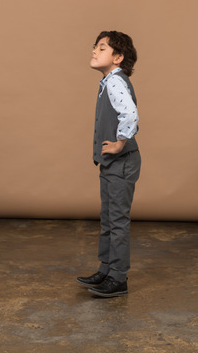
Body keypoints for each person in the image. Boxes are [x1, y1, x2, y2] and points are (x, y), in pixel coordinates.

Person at [77, 30, 141, 297]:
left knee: (116, 219)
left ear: (118, 57)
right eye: (95, 46)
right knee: (108, 218)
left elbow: (130, 114)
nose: (94, 50)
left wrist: (119, 142)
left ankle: (118, 277)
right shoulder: (108, 82)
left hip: (121, 160)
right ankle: (106, 268)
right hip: (111, 163)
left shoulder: (115, 82)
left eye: (102, 48)